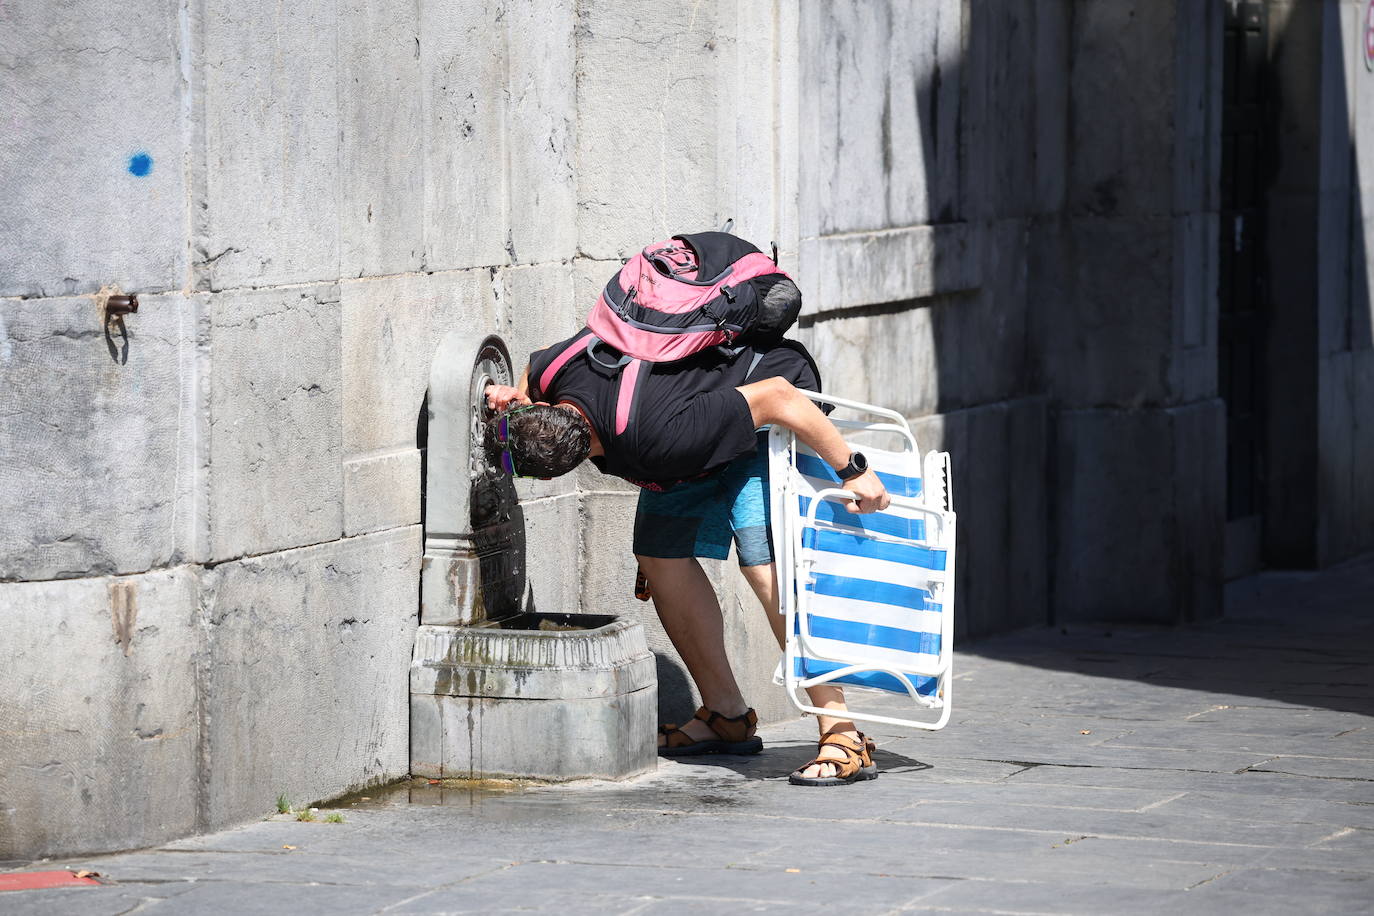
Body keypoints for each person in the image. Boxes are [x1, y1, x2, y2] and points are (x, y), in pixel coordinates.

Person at [484, 331, 890, 786]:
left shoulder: (656, 435)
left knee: (762, 564)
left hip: (759, 413)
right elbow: (532, 374)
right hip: (682, 427)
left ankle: (841, 731)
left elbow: (780, 397)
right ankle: (726, 715)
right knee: (660, 554)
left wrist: (855, 471)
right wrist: (512, 403)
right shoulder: (550, 381)